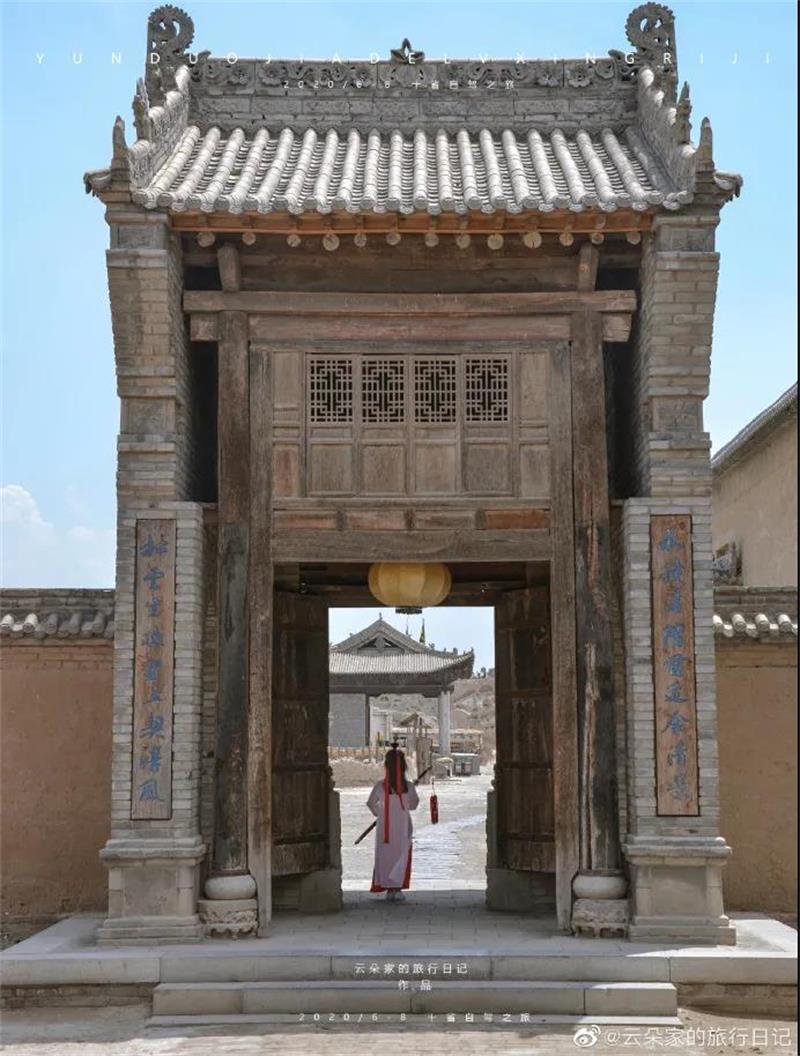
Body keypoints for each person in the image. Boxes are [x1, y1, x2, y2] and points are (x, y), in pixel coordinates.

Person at [366, 744, 419, 901]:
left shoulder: (380, 786)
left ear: (386, 766)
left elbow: (370, 803)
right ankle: (397, 887)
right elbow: (414, 805)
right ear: (403, 766)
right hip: (403, 827)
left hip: (385, 828)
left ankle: (389, 888)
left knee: (385, 855)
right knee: (401, 855)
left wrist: (381, 813)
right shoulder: (408, 786)